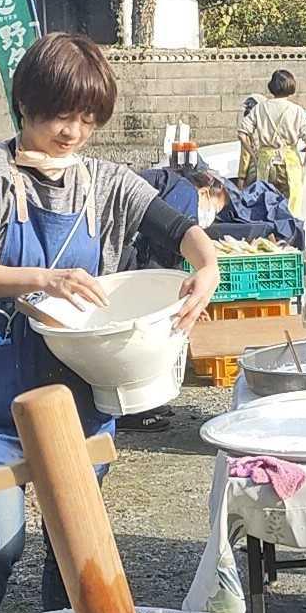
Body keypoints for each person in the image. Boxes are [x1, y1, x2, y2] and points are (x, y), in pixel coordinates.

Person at [0, 33, 220, 613]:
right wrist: (42, 279)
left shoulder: (106, 182)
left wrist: (208, 266)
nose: (74, 131)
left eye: (89, 118)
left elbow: (185, 231)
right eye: (63, 114)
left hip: (79, 397)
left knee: (74, 544)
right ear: (26, 103)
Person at [115, 168, 230, 433]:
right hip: (133, 272)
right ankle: (133, 411)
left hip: (129, 266)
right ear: (205, 191)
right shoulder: (185, 192)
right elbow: (166, 244)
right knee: (137, 335)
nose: (211, 217)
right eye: (215, 206)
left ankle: (142, 406)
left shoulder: (169, 185)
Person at [238, 68, 306, 218]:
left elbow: (242, 133)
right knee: (291, 207)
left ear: (271, 86)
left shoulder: (260, 108)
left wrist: (254, 156)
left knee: (266, 205)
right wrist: (304, 164)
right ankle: (290, 237)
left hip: (266, 162)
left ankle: (269, 237)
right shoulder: (297, 110)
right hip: (290, 164)